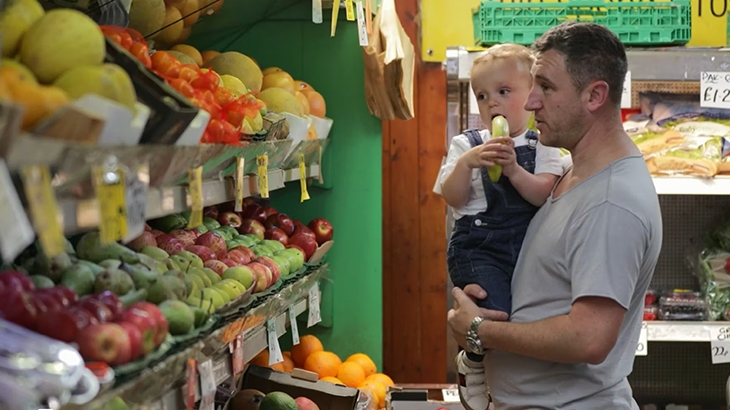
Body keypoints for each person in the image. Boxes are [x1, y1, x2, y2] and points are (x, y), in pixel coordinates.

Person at [447, 22, 663, 410]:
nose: (530, 103)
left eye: (545, 87)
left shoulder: (611, 201)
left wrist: (482, 331)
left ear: (595, 95)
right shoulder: (573, 173)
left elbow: (589, 338)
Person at [434, 43, 563, 409]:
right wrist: (467, 164)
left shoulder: (546, 144)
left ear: (532, 95)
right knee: (494, 312)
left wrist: (513, 170)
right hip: (478, 248)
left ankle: (504, 378)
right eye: (482, 95)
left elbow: (543, 193)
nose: (492, 103)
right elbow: (452, 197)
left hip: (527, 247)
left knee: (525, 321)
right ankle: (473, 362)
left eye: (504, 92)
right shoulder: (466, 143)